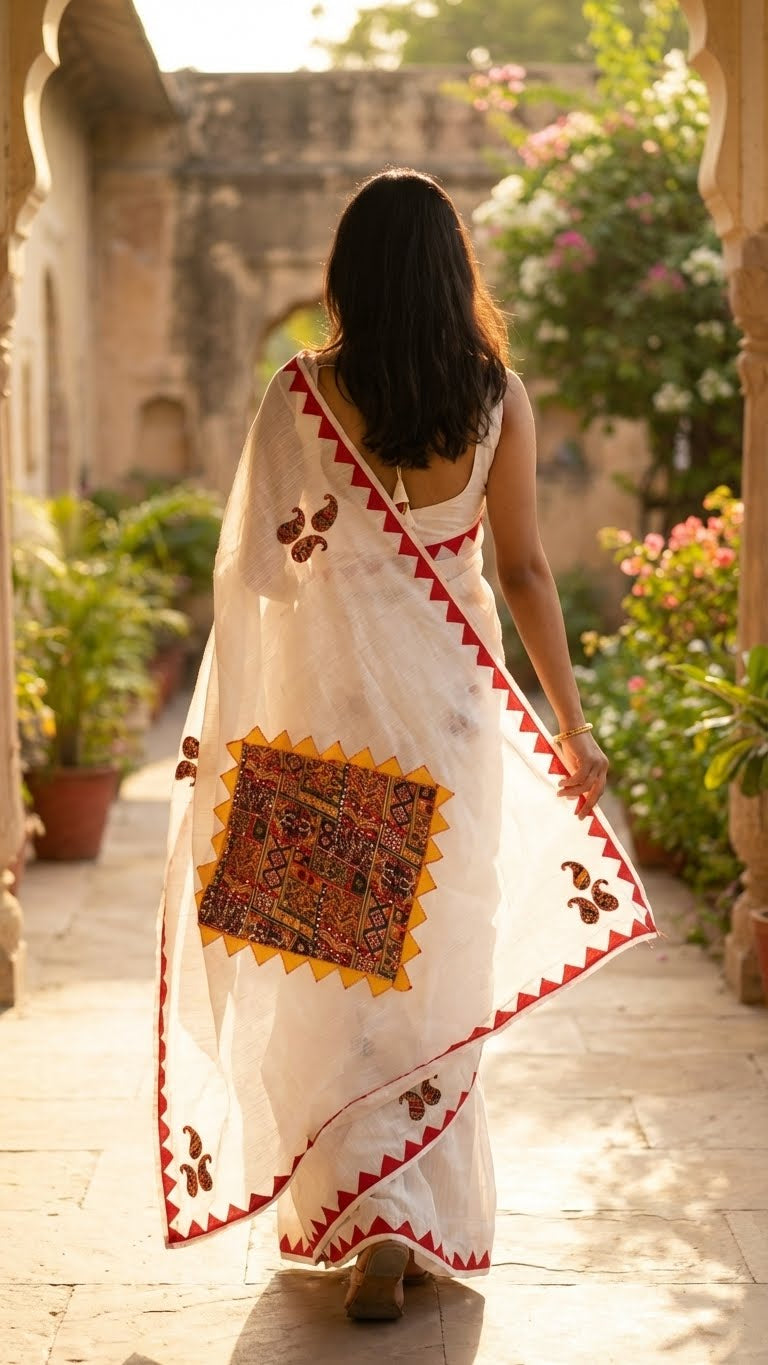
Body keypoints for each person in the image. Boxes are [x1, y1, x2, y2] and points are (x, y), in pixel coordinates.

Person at [154, 167, 656, 1321]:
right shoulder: (496, 400)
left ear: (347, 276)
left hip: (328, 727)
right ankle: (410, 1218)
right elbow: (524, 569)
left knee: (335, 970)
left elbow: (258, 579)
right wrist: (571, 726)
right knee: (435, 965)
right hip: (451, 719)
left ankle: (357, 1210)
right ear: (453, 273)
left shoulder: (300, 395)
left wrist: (340, 619)